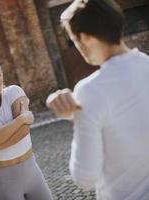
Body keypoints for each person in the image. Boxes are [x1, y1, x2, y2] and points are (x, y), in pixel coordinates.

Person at [46, 0, 149, 200]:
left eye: (73, 41)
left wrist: (78, 119)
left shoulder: (90, 91)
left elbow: (85, 177)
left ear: (85, 38)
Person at [0, 57, 53, 200]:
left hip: (32, 172)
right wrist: (21, 119)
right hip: (6, 181)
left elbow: (24, 132)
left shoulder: (14, 92)